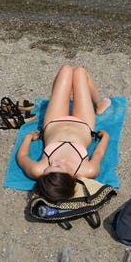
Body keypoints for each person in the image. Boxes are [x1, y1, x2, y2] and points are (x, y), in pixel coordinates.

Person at [16, 65, 111, 201]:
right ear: (70, 177)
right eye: (58, 166)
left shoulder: (38, 170)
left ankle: (96, 102)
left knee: (65, 70)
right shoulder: (87, 170)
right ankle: (99, 104)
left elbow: (22, 157)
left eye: (50, 166)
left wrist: (28, 137)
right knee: (79, 72)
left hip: (54, 121)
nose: (54, 161)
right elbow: (98, 154)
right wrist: (105, 138)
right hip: (83, 123)